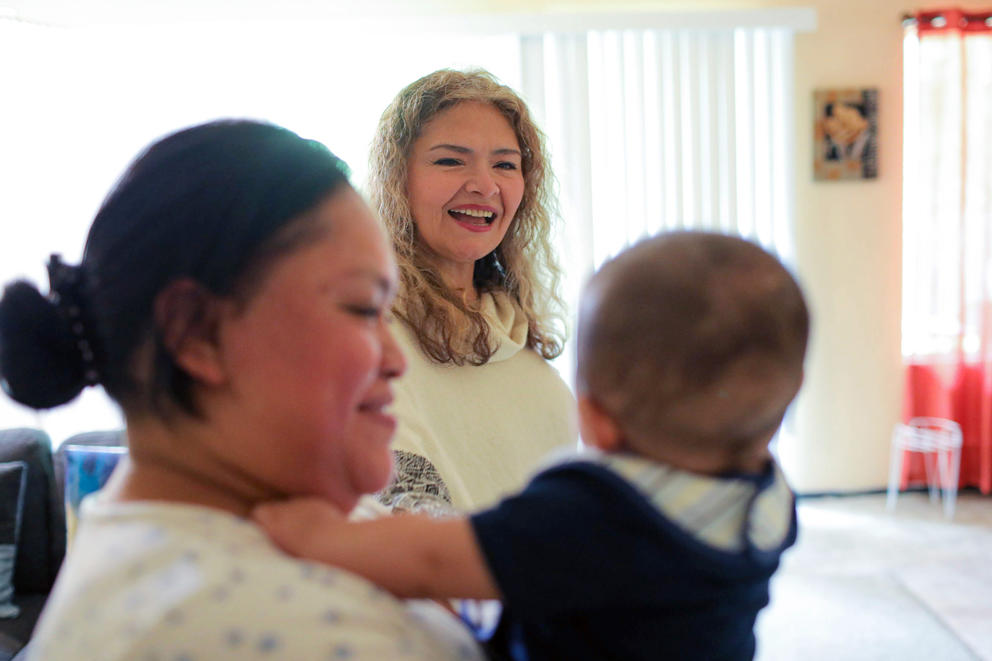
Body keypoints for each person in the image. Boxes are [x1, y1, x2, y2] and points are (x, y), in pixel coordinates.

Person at [0, 120, 484, 660]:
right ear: (197, 333)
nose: (395, 360)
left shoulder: (239, 522)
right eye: (362, 309)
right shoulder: (278, 631)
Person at [254, 231, 810, 661]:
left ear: (594, 419)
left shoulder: (592, 513)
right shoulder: (770, 500)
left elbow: (429, 557)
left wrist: (315, 532)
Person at [367, 68, 577, 513]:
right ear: (396, 181)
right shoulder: (367, 338)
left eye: (505, 165)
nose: (484, 185)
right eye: (450, 160)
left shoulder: (530, 361)